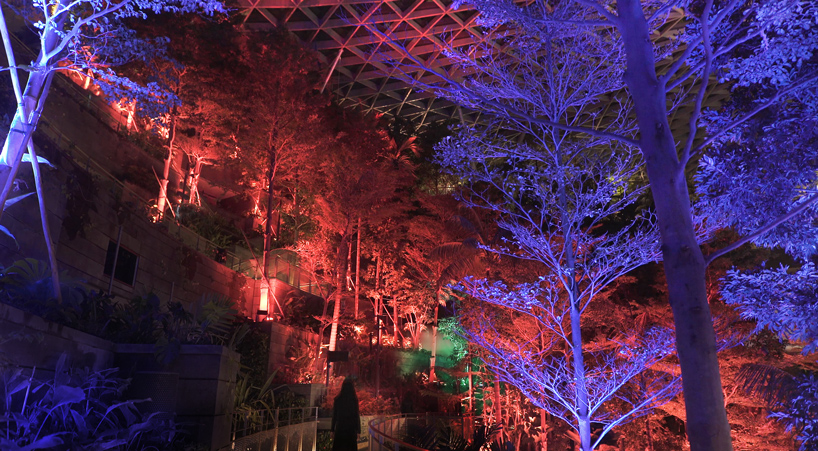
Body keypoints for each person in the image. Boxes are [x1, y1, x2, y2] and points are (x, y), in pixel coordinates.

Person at [331, 377, 361, 451]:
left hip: (340, 428)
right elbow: (356, 415)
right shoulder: (354, 400)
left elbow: (334, 416)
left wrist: (332, 429)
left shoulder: (338, 399)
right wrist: (358, 430)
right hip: (351, 429)